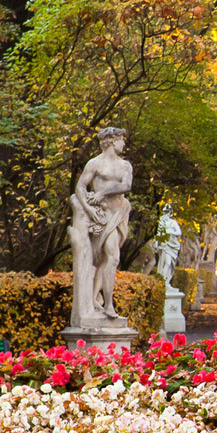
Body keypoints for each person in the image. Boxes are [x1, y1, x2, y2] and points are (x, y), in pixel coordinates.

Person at [68, 127, 133, 326]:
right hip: (100, 216)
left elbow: (126, 186)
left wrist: (103, 193)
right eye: (121, 140)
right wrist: (88, 208)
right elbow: (80, 187)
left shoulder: (125, 166)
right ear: (112, 141)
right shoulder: (94, 164)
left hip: (118, 214)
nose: (124, 144)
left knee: (109, 258)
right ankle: (106, 304)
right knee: (109, 257)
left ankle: (102, 301)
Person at [156, 205, 182, 290]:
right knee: (166, 263)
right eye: (164, 212)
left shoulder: (173, 222)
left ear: (170, 214)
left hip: (173, 245)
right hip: (165, 245)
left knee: (170, 264)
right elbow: (158, 234)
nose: (165, 214)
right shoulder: (161, 223)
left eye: (167, 213)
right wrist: (156, 243)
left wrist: (169, 231)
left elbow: (179, 232)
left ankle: (166, 281)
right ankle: (162, 282)